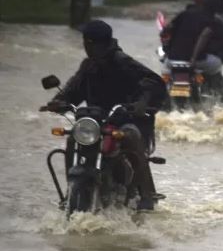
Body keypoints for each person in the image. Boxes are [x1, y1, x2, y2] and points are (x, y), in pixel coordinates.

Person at [47, 20, 167, 210]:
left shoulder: (122, 61)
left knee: (131, 136)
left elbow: (153, 82)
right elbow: (74, 89)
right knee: (72, 139)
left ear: (90, 43)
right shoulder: (88, 66)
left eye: (88, 43)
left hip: (126, 119)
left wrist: (140, 104)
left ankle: (146, 195)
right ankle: (70, 191)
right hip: (95, 121)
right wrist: (59, 101)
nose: (86, 46)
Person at [161, 0, 223, 104]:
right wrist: (193, 58)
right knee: (216, 66)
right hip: (197, 61)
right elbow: (206, 37)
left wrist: (167, 49)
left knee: (165, 74)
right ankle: (221, 95)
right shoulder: (213, 20)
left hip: (172, 60)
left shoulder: (184, 14)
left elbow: (166, 30)